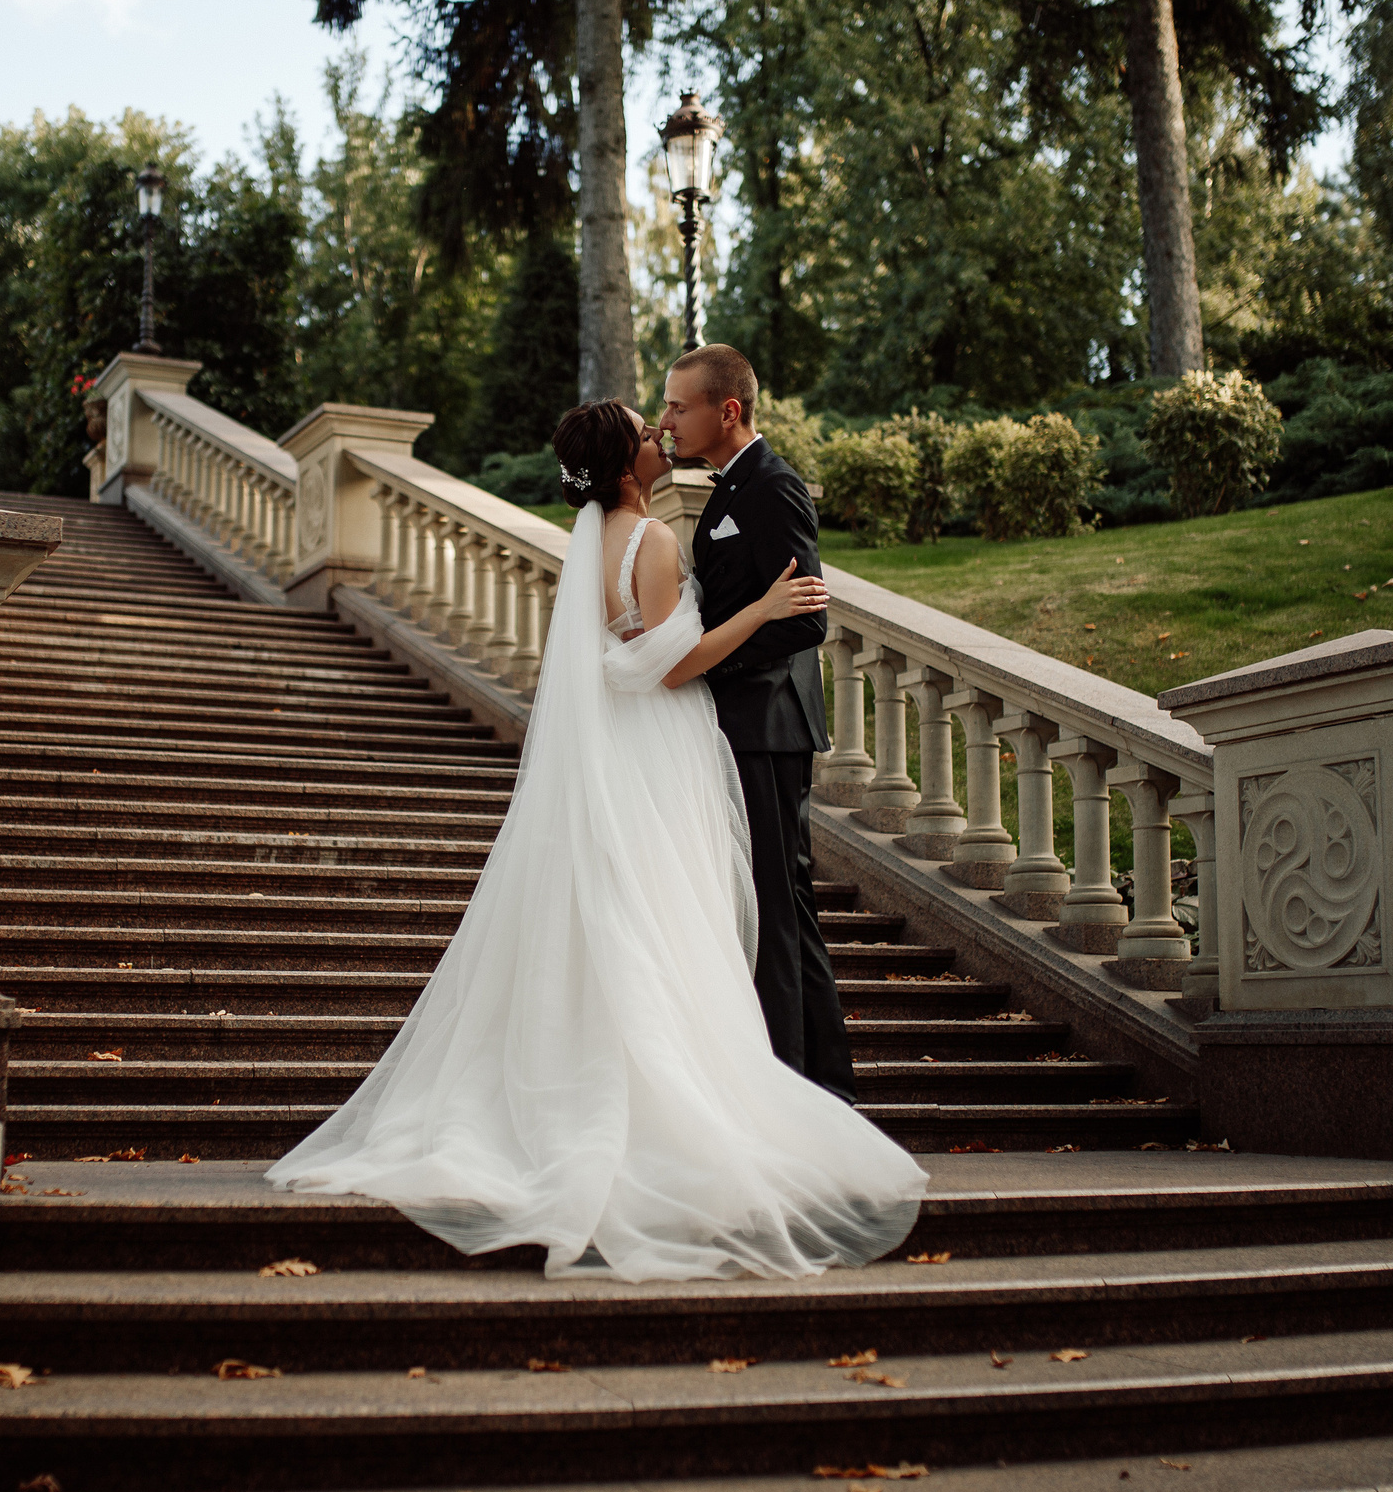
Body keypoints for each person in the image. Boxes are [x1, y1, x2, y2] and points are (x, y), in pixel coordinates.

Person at [266, 398, 928, 1283]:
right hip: (660, 746)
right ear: (625, 459)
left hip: (626, 748)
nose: (659, 432)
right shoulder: (647, 541)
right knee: (664, 920)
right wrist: (764, 606)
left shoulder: (596, 541)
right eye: (644, 429)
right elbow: (669, 660)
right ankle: (664, 1108)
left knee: (636, 918)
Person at [658, 344, 853, 1100]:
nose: (667, 420)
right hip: (745, 727)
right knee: (772, 903)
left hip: (769, 729)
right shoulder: (729, 490)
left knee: (778, 903)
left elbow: (805, 621)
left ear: (726, 410)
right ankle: (817, 1084)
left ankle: (805, 1090)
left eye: (680, 406)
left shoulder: (773, 487)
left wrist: (706, 663)